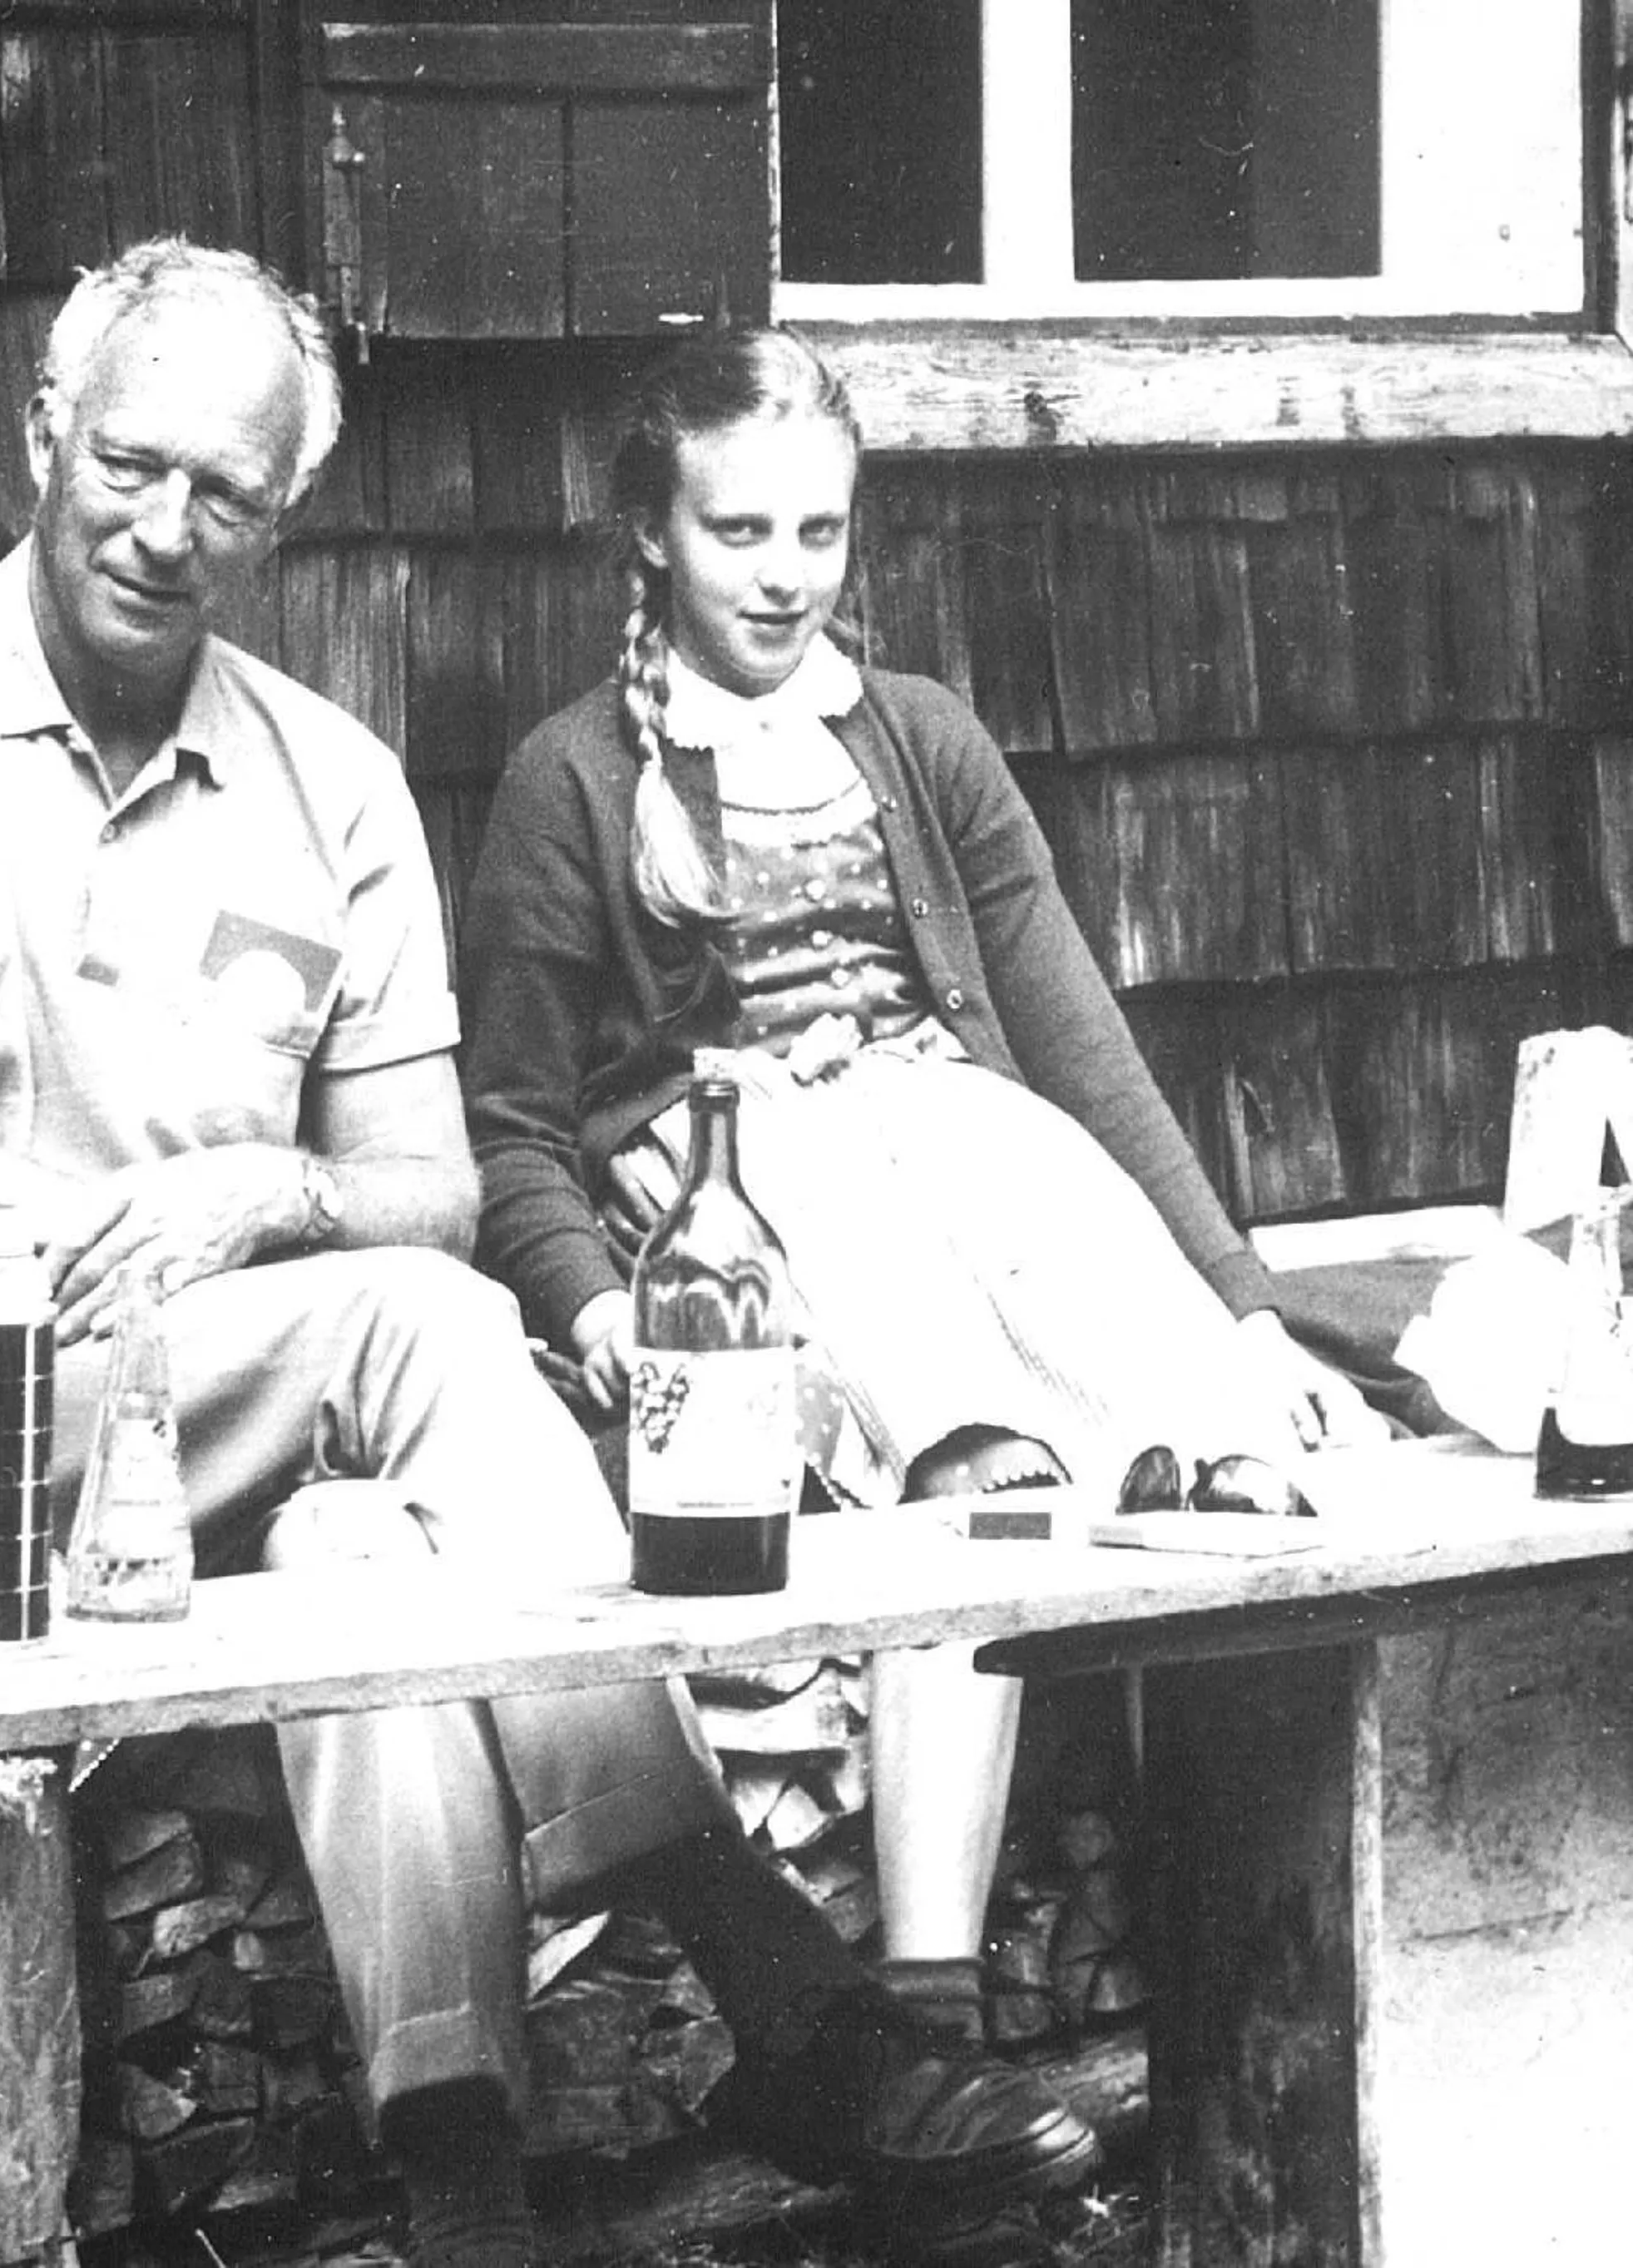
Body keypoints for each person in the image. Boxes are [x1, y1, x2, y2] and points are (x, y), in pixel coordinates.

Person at [0, 237, 1097, 2268]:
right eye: (128, 465)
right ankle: (763, 1966)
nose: (165, 529)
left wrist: (271, 1195)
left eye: (227, 494)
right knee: (408, 1331)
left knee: (368, 1566)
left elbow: (429, 1184)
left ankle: (462, 2182)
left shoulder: (326, 781)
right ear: (39, 434)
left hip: (271, 1428)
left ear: (285, 514)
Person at [458, 326, 1375, 2040]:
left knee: (1195, 1390)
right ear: (652, 531)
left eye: (819, 530)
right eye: (740, 530)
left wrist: (1245, 1308)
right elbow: (511, 1125)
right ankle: (933, 1989)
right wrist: (591, 1308)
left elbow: (1079, 1049)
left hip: (947, 1148)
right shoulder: (573, 777)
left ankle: (1243, 1882)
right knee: (961, 1457)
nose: (785, 574)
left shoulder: (919, 738)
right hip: (740, 1175)